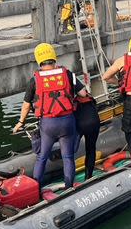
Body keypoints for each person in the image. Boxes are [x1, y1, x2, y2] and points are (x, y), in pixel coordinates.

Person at [12, 43, 89, 188]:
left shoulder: (35, 80)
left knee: (42, 157)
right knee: (68, 157)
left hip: (48, 125)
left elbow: (27, 105)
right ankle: (68, 187)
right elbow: (83, 93)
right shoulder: (67, 74)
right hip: (67, 122)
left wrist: (20, 122)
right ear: (54, 58)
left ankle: (37, 190)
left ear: (39, 61)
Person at [74, 92, 100, 180]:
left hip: (79, 122)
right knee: (91, 149)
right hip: (93, 120)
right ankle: (88, 177)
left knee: (69, 153)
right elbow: (83, 93)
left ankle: (69, 183)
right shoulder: (83, 90)